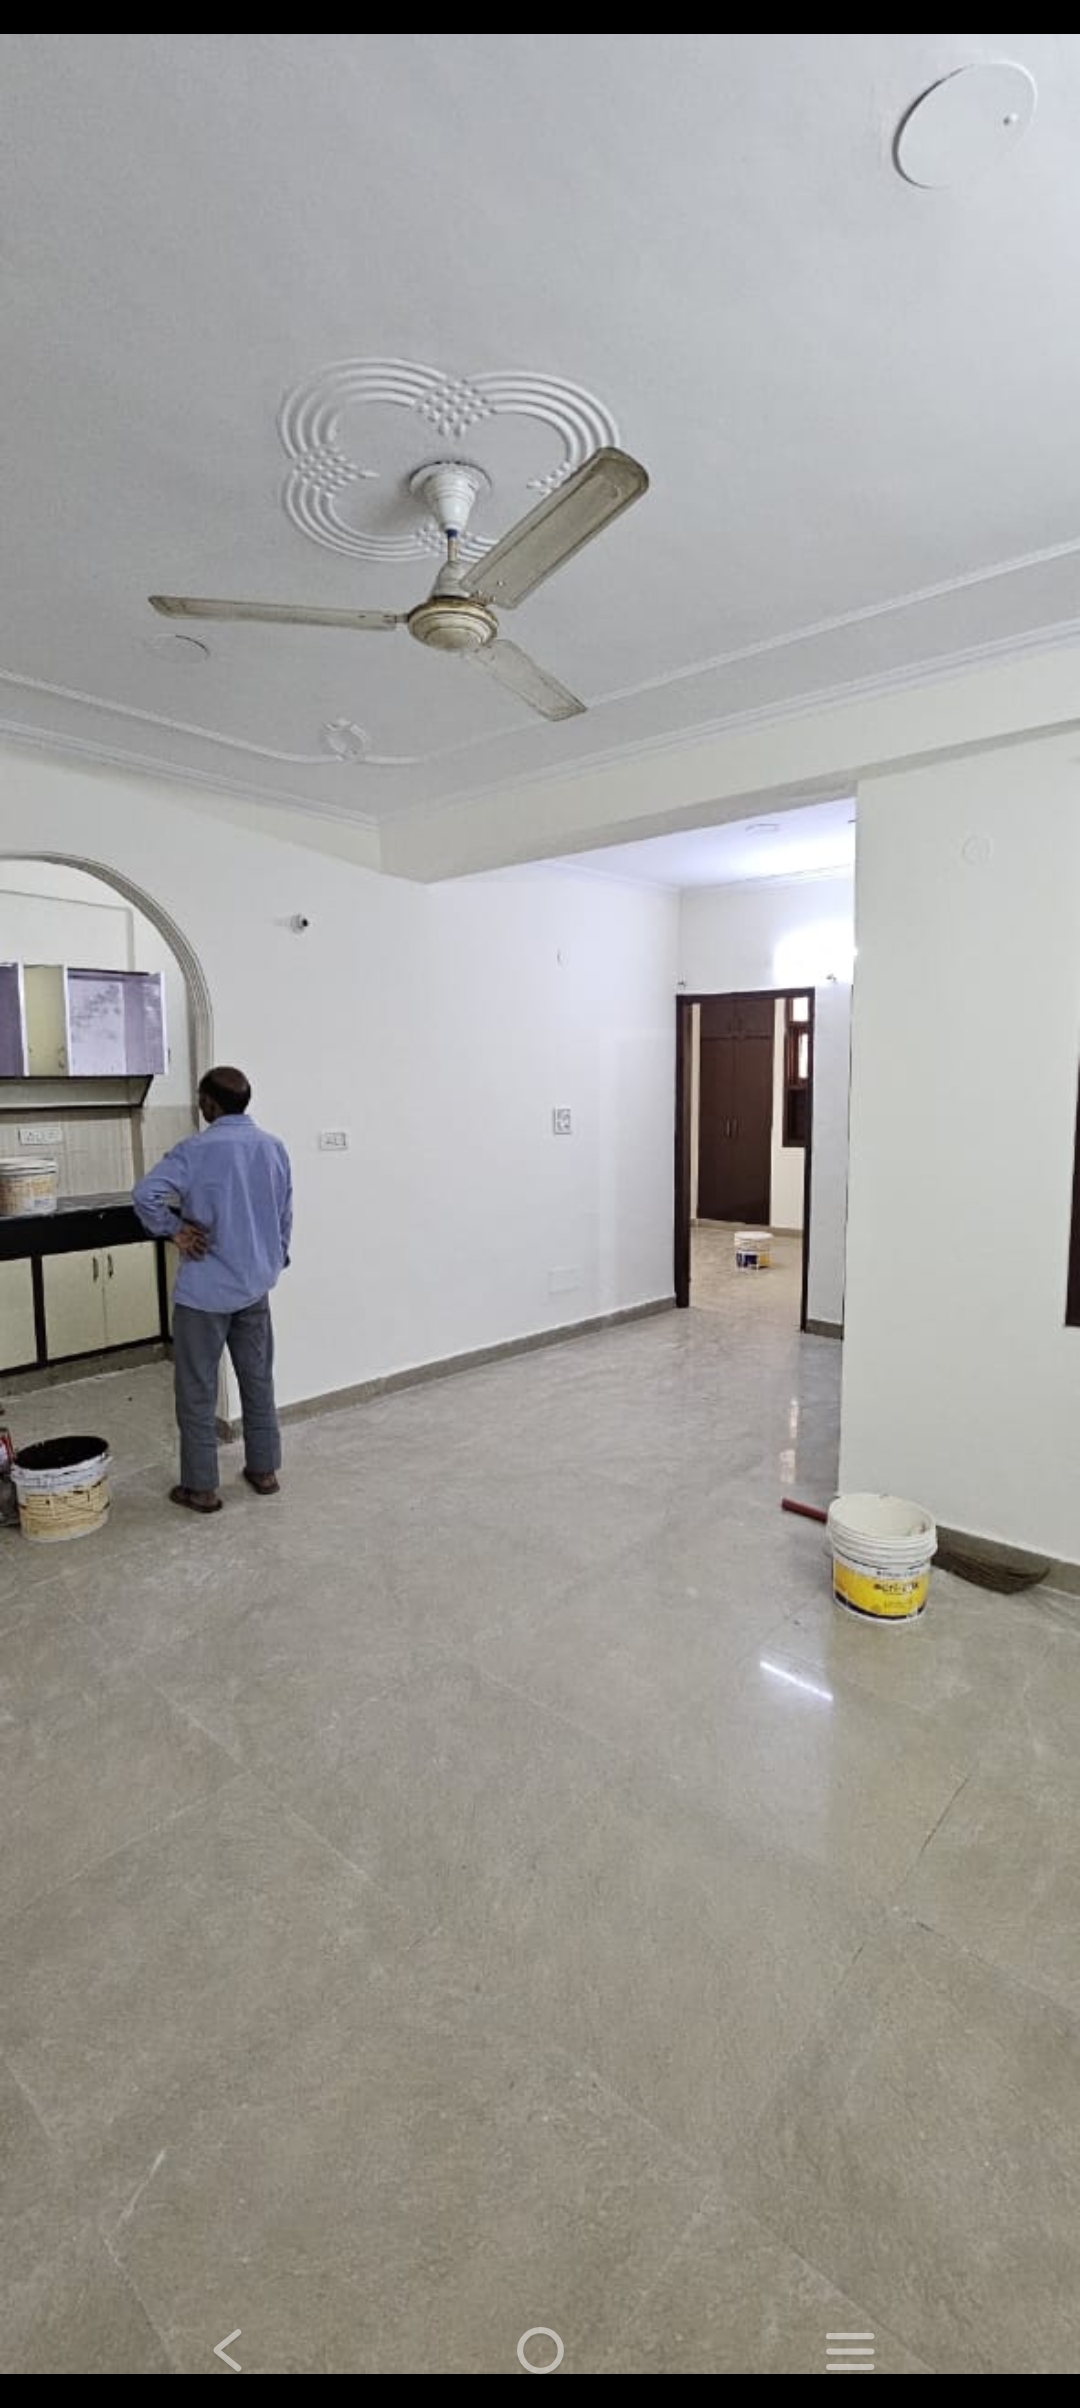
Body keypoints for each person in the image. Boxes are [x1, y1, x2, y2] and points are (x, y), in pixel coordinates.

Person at [132, 1066, 292, 1514]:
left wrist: (174, 1230)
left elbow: (144, 1195)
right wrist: (274, 1259)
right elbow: (284, 1213)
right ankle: (264, 1470)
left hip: (203, 1294)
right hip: (254, 1287)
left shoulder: (194, 1151)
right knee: (257, 1380)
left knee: (197, 1389)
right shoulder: (273, 1147)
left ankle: (201, 1488)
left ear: (209, 1104)